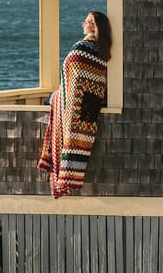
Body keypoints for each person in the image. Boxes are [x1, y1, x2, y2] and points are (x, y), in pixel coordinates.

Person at [38, 11, 112, 199]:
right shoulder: (103, 49)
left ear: (94, 27)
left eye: (87, 22)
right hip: (91, 103)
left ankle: (60, 172)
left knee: (50, 99)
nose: (83, 24)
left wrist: (60, 97)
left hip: (73, 102)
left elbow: (74, 79)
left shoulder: (82, 48)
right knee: (52, 98)